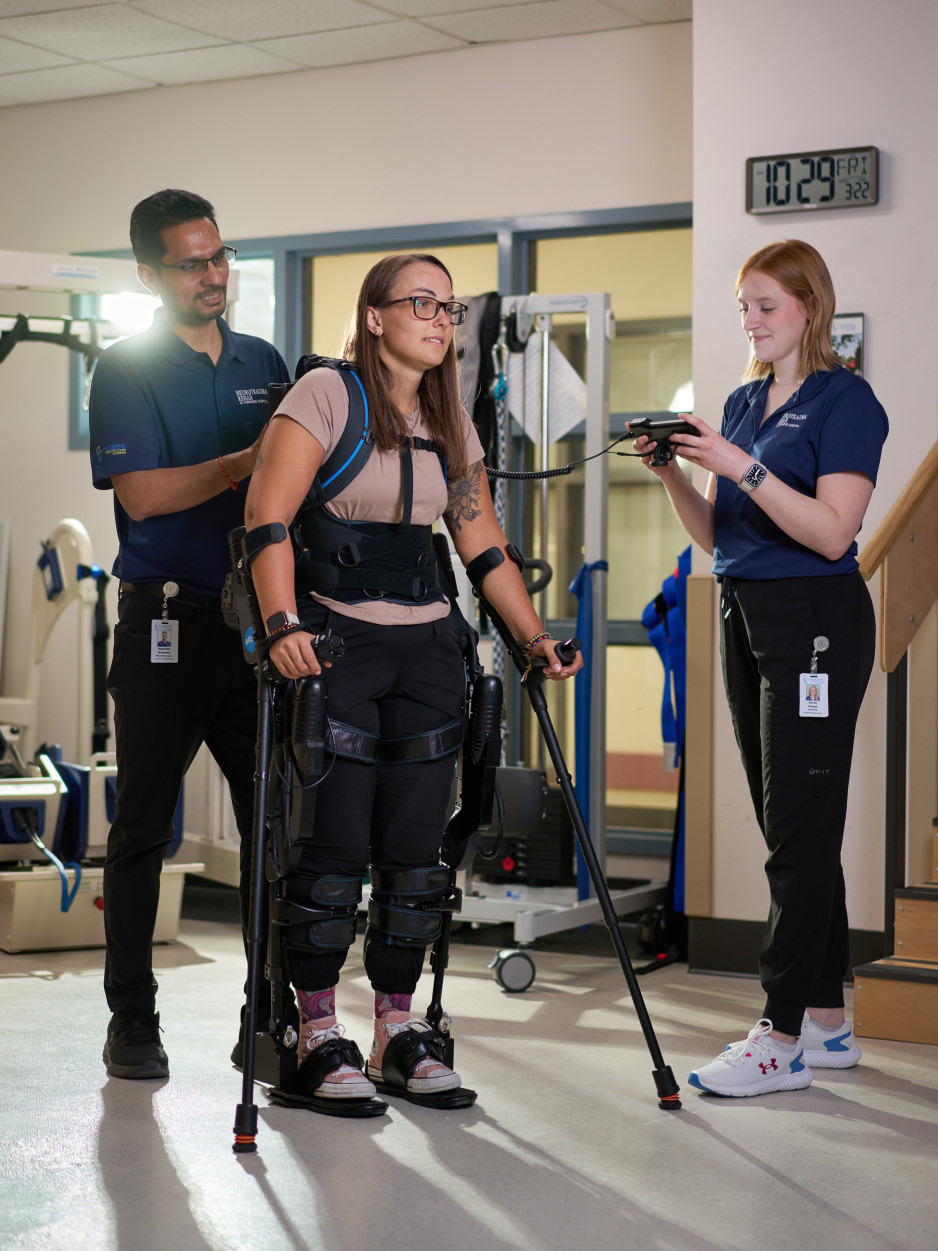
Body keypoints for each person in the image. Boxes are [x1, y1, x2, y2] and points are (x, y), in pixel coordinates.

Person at [244, 253, 581, 1102]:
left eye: (448, 305)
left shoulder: (450, 418)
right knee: (333, 846)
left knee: (416, 849)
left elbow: (483, 545)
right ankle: (316, 1031)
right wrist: (282, 623)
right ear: (373, 316)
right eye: (420, 302)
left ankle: (399, 1028)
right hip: (336, 642)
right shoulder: (324, 396)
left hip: (430, 647)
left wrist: (536, 636)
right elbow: (267, 514)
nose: (439, 318)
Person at [635, 239, 888, 1097]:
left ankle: (778, 1036)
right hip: (744, 609)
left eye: (766, 306)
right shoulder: (743, 401)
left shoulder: (846, 401)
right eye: (743, 305)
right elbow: (720, 536)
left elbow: (831, 531)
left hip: (816, 620)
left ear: (809, 307)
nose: (751, 321)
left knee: (802, 824)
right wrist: (675, 474)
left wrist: (742, 464)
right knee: (795, 822)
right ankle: (827, 1022)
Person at [89, 189, 289, 1080]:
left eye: (220, 257)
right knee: (141, 828)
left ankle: (272, 1011)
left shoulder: (263, 359)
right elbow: (142, 496)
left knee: (275, 827)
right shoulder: (124, 367)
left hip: (257, 623)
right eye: (191, 263)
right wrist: (244, 464)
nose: (213, 276)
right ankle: (133, 1017)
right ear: (149, 273)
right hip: (165, 621)